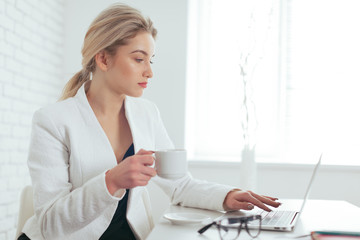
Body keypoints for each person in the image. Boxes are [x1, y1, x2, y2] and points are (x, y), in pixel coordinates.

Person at [18, 3, 280, 240]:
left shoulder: (147, 113)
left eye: (150, 60)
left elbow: (178, 184)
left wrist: (226, 196)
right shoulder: (52, 121)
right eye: (139, 59)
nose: (149, 71)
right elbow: (51, 224)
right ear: (103, 58)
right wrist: (111, 181)